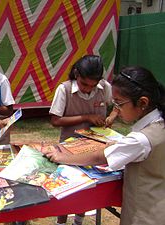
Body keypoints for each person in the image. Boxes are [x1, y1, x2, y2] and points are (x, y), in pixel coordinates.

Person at [43, 66, 165, 225]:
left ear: (142, 102)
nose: (117, 110)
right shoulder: (159, 123)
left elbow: (100, 157)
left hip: (144, 214)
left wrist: (63, 157)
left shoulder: (141, 139)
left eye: (119, 104)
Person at [49, 55, 117, 225]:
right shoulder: (64, 90)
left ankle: (78, 220)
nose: (88, 89)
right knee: (66, 189)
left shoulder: (104, 87)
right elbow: (55, 120)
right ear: (76, 74)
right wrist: (86, 116)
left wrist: (111, 118)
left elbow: (117, 105)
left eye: (92, 85)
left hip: (96, 147)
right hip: (69, 147)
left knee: (87, 188)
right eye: (84, 84)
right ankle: (61, 222)